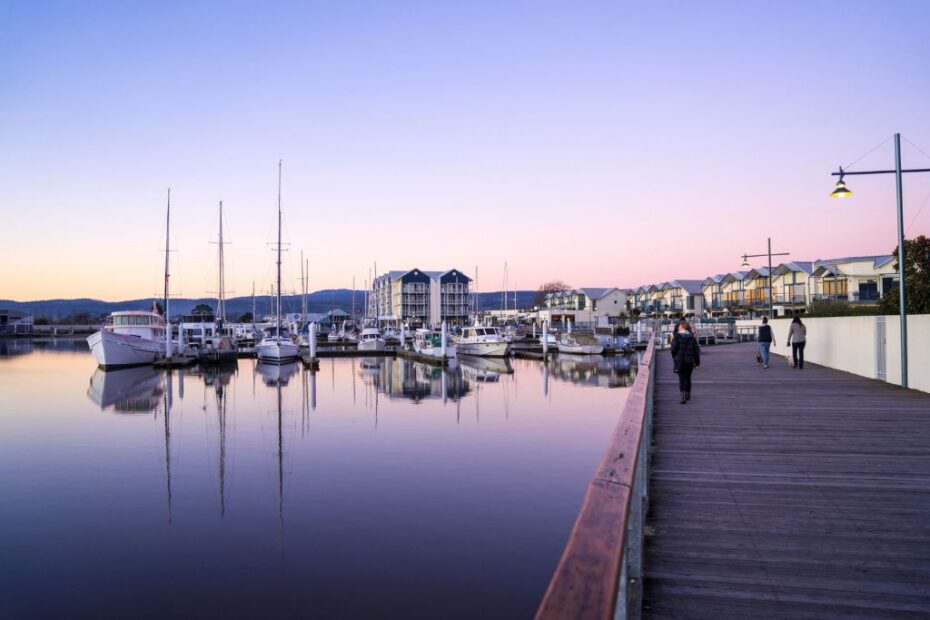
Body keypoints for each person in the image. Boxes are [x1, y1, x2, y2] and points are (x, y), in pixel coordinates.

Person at [670, 319, 700, 404]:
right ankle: (687, 395)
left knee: (681, 378)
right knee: (688, 378)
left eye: (679, 326)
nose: (678, 327)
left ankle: (683, 398)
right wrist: (697, 362)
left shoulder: (677, 336)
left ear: (682, 327)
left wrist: (675, 357)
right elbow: (696, 351)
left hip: (680, 360)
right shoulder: (691, 337)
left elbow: (673, 349)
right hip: (689, 361)